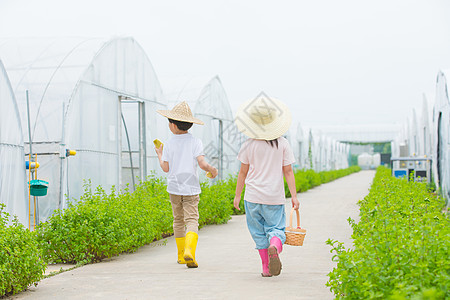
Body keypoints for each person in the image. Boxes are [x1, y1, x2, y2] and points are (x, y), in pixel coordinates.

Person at [233, 94, 299, 277]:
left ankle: (265, 268)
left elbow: (243, 173)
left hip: (252, 197)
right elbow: (288, 172)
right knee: (276, 229)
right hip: (273, 197)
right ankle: (275, 246)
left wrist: (238, 195)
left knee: (258, 232)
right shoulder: (283, 144)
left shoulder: (248, 145)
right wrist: (294, 196)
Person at [155, 101, 218, 268]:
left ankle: (181, 255)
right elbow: (202, 164)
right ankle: (190, 251)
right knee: (192, 220)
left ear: (173, 125)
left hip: (174, 187)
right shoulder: (195, 142)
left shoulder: (168, 144)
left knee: (178, 220)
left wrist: (160, 154)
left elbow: (166, 168)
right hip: (190, 187)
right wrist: (212, 169)